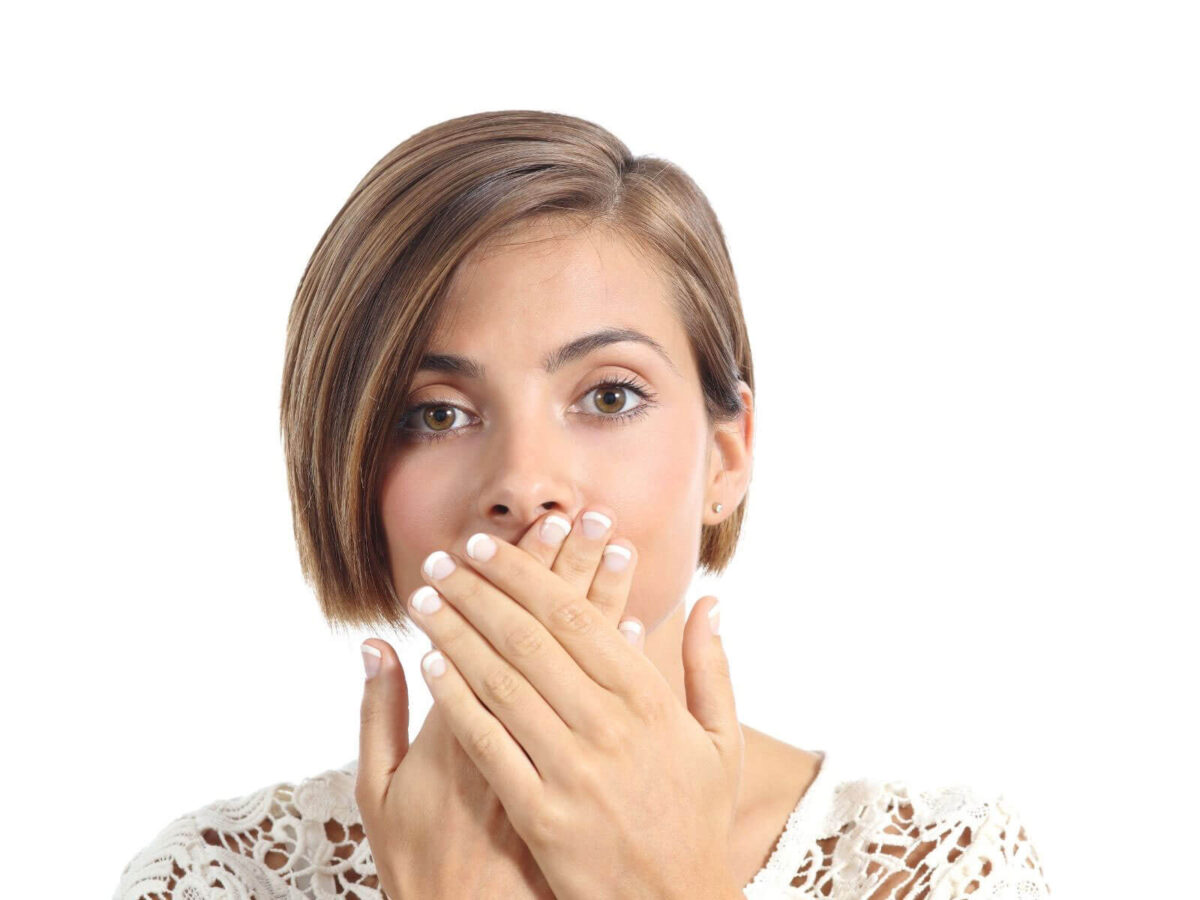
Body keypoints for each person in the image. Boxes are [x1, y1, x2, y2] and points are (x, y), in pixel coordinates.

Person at [113, 110, 1052, 899]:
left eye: (608, 396)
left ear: (727, 457)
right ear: (351, 472)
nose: (526, 483)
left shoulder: (937, 867)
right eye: (435, 413)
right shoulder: (217, 876)